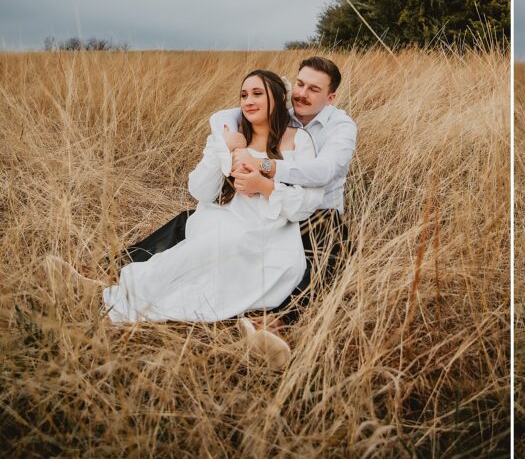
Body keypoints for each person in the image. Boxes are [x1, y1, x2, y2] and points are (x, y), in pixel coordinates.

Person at [48, 69, 327, 368]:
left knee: (244, 252)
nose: (248, 100)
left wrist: (264, 186)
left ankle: (252, 321)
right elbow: (200, 191)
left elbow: (309, 202)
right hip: (225, 217)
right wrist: (223, 148)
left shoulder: (298, 140)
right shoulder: (230, 136)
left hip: (272, 227)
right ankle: (117, 292)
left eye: (258, 93)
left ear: (280, 97)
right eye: (244, 95)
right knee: (208, 247)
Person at [114, 56, 357, 361]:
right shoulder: (279, 110)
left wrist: (264, 171)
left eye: (313, 89)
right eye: (299, 84)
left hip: (316, 212)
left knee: (326, 242)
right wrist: (227, 142)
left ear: (330, 98)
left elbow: (324, 172)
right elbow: (228, 115)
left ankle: (277, 319)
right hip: (251, 211)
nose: (302, 94)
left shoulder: (338, 127)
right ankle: (114, 270)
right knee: (193, 223)